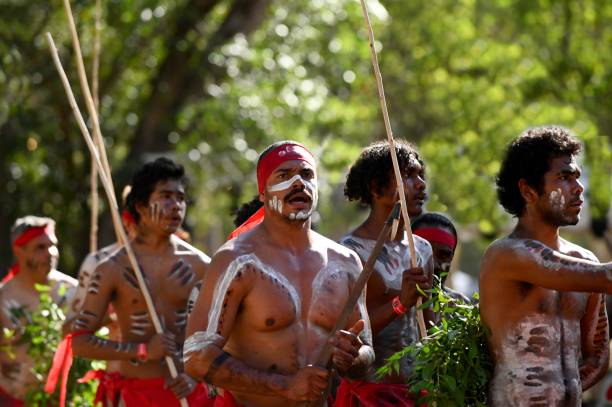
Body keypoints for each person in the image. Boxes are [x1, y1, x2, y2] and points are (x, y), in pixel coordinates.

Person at [184, 141, 374, 407]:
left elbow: (366, 352)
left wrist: (354, 357)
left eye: (307, 175)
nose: (298, 183)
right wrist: (284, 386)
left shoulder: (345, 263)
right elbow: (196, 356)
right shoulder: (236, 260)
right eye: (284, 175)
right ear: (263, 192)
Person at [480, 126, 612, 406]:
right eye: (564, 178)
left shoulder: (587, 261)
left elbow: (598, 357)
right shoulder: (505, 255)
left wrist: (561, 394)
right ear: (528, 190)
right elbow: (606, 276)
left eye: (576, 177)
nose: (578, 188)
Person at [67, 157, 212, 406]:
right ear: (141, 207)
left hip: (190, 394)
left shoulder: (200, 265)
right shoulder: (113, 267)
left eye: (180, 198)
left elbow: (224, 334)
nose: (176, 205)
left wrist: (195, 375)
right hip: (136, 395)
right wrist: (142, 351)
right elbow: (79, 341)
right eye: (166, 196)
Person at [338, 140, 434, 405]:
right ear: (376, 188)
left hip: (417, 390)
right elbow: (348, 333)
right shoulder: (350, 253)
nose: (421, 184)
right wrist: (399, 303)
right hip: (371, 391)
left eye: (420, 175)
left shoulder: (422, 250)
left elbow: (429, 323)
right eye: (408, 175)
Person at [0, 216, 77, 405]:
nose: (51, 253)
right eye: (40, 247)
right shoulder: (3, 297)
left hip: (66, 399)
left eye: (53, 245)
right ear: (19, 250)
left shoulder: (73, 290)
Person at [412, 212, 471, 303]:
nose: (434, 264)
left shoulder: (460, 306)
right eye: (424, 253)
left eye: (444, 255)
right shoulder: (387, 301)